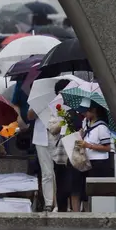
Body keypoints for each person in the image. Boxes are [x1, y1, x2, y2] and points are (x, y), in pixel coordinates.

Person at [71, 101, 113, 211]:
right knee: (84, 191)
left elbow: (107, 147)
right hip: (86, 162)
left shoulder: (102, 127)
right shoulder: (86, 123)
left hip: (99, 163)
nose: (84, 114)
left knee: (96, 192)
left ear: (93, 111)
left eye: (86, 111)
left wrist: (89, 145)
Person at [47, 79, 71, 212]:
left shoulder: (77, 106)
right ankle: (61, 207)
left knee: (73, 181)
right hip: (59, 151)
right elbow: (52, 128)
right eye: (59, 93)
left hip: (74, 150)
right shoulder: (55, 108)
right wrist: (63, 120)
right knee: (60, 179)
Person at [27, 107, 55, 212]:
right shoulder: (38, 94)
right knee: (46, 172)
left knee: (58, 172)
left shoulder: (60, 94)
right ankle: (48, 203)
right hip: (41, 137)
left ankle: (59, 203)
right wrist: (38, 107)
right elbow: (29, 116)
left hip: (57, 135)